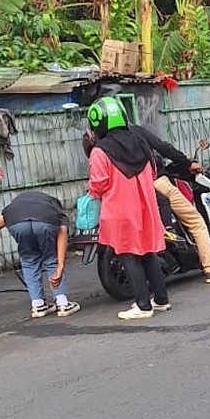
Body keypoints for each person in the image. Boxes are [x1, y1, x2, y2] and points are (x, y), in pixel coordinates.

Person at [86, 96, 170, 322]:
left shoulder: (100, 152)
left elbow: (99, 184)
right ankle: (161, 299)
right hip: (146, 206)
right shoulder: (141, 143)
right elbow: (153, 172)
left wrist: (91, 194)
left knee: (128, 255)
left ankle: (143, 305)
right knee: (148, 252)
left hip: (120, 210)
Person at [136, 125, 210, 285]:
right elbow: (163, 147)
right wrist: (187, 163)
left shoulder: (105, 143)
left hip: (129, 191)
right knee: (196, 222)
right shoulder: (136, 132)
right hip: (155, 183)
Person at [0, 190, 80, 318]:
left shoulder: (15, 209)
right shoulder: (54, 210)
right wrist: (60, 265)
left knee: (29, 261)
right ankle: (62, 304)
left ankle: (38, 305)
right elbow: (62, 233)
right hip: (45, 223)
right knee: (51, 258)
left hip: (17, 223)